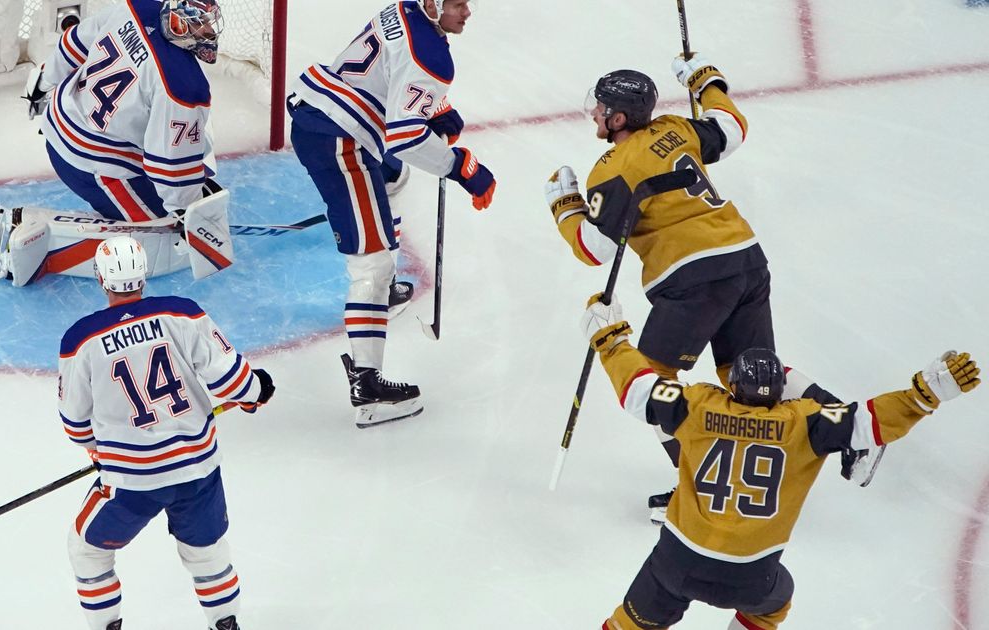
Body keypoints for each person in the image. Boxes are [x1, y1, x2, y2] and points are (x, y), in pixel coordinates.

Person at [577, 294, 980, 630]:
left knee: (629, 623)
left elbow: (639, 391)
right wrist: (923, 396)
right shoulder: (803, 424)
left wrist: (611, 340)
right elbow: (868, 423)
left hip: (678, 560)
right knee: (775, 600)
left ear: (734, 386)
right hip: (750, 575)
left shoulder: (698, 406)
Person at [543, 55, 769, 516]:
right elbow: (731, 128)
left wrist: (565, 206)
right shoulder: (677, 129)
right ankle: (845, 436)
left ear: (618, 119)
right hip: (745, 256)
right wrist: (706, 80)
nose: (594, 112)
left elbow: (594, 249)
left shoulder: (613, 168)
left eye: (601, 107)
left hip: (692, 276)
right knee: (753, 373)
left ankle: (707, 489)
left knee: (649, 378)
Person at [287, 0, 497, 428]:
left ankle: (379, 298)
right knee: (373, 264)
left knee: (394, 177)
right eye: (458, 3)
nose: (467, 12)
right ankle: (368, 387)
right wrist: (462, 168)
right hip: (340, 142)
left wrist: (436, 108)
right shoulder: (432, 55)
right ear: (433, 4)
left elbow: (391, 68)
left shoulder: (402, 8)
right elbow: (406, 138)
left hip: (328, 112)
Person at [58, 236, 275, 630]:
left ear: (100, 278)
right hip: (197, 470)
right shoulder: (182, 313)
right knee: (207, 554)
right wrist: (256, 390)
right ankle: (225, 625)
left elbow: (75, 423)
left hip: (133, 480)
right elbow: (231, 381)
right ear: (144, 274)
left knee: (87, 550)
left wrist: (98, 451)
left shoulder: (81, 340)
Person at [0, 0, 232, 287]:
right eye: (201, 22)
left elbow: (73, 43)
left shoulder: (137, 7)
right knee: (163, 229)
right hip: (89, 167)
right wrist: (184, 213)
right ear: (180, 24)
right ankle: (35, 242)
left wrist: (42, 83)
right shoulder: (183, 85)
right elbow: (170, 166)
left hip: (58, 123)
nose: (209, 31)